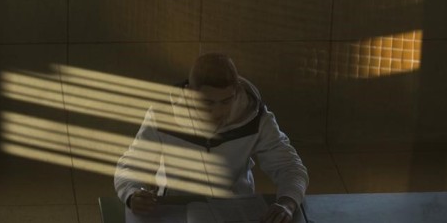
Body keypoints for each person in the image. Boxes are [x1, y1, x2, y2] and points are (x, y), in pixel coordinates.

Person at [114, 53, 308, 223]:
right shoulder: (162, 116)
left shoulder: (255, 118)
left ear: (237, 90)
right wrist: (131, 193)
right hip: (177, 205)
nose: (217, 112)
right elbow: (130, 165)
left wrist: (287, 202)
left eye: (226, 101)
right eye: (207, 102)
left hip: (235, 206)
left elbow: (290, 166)